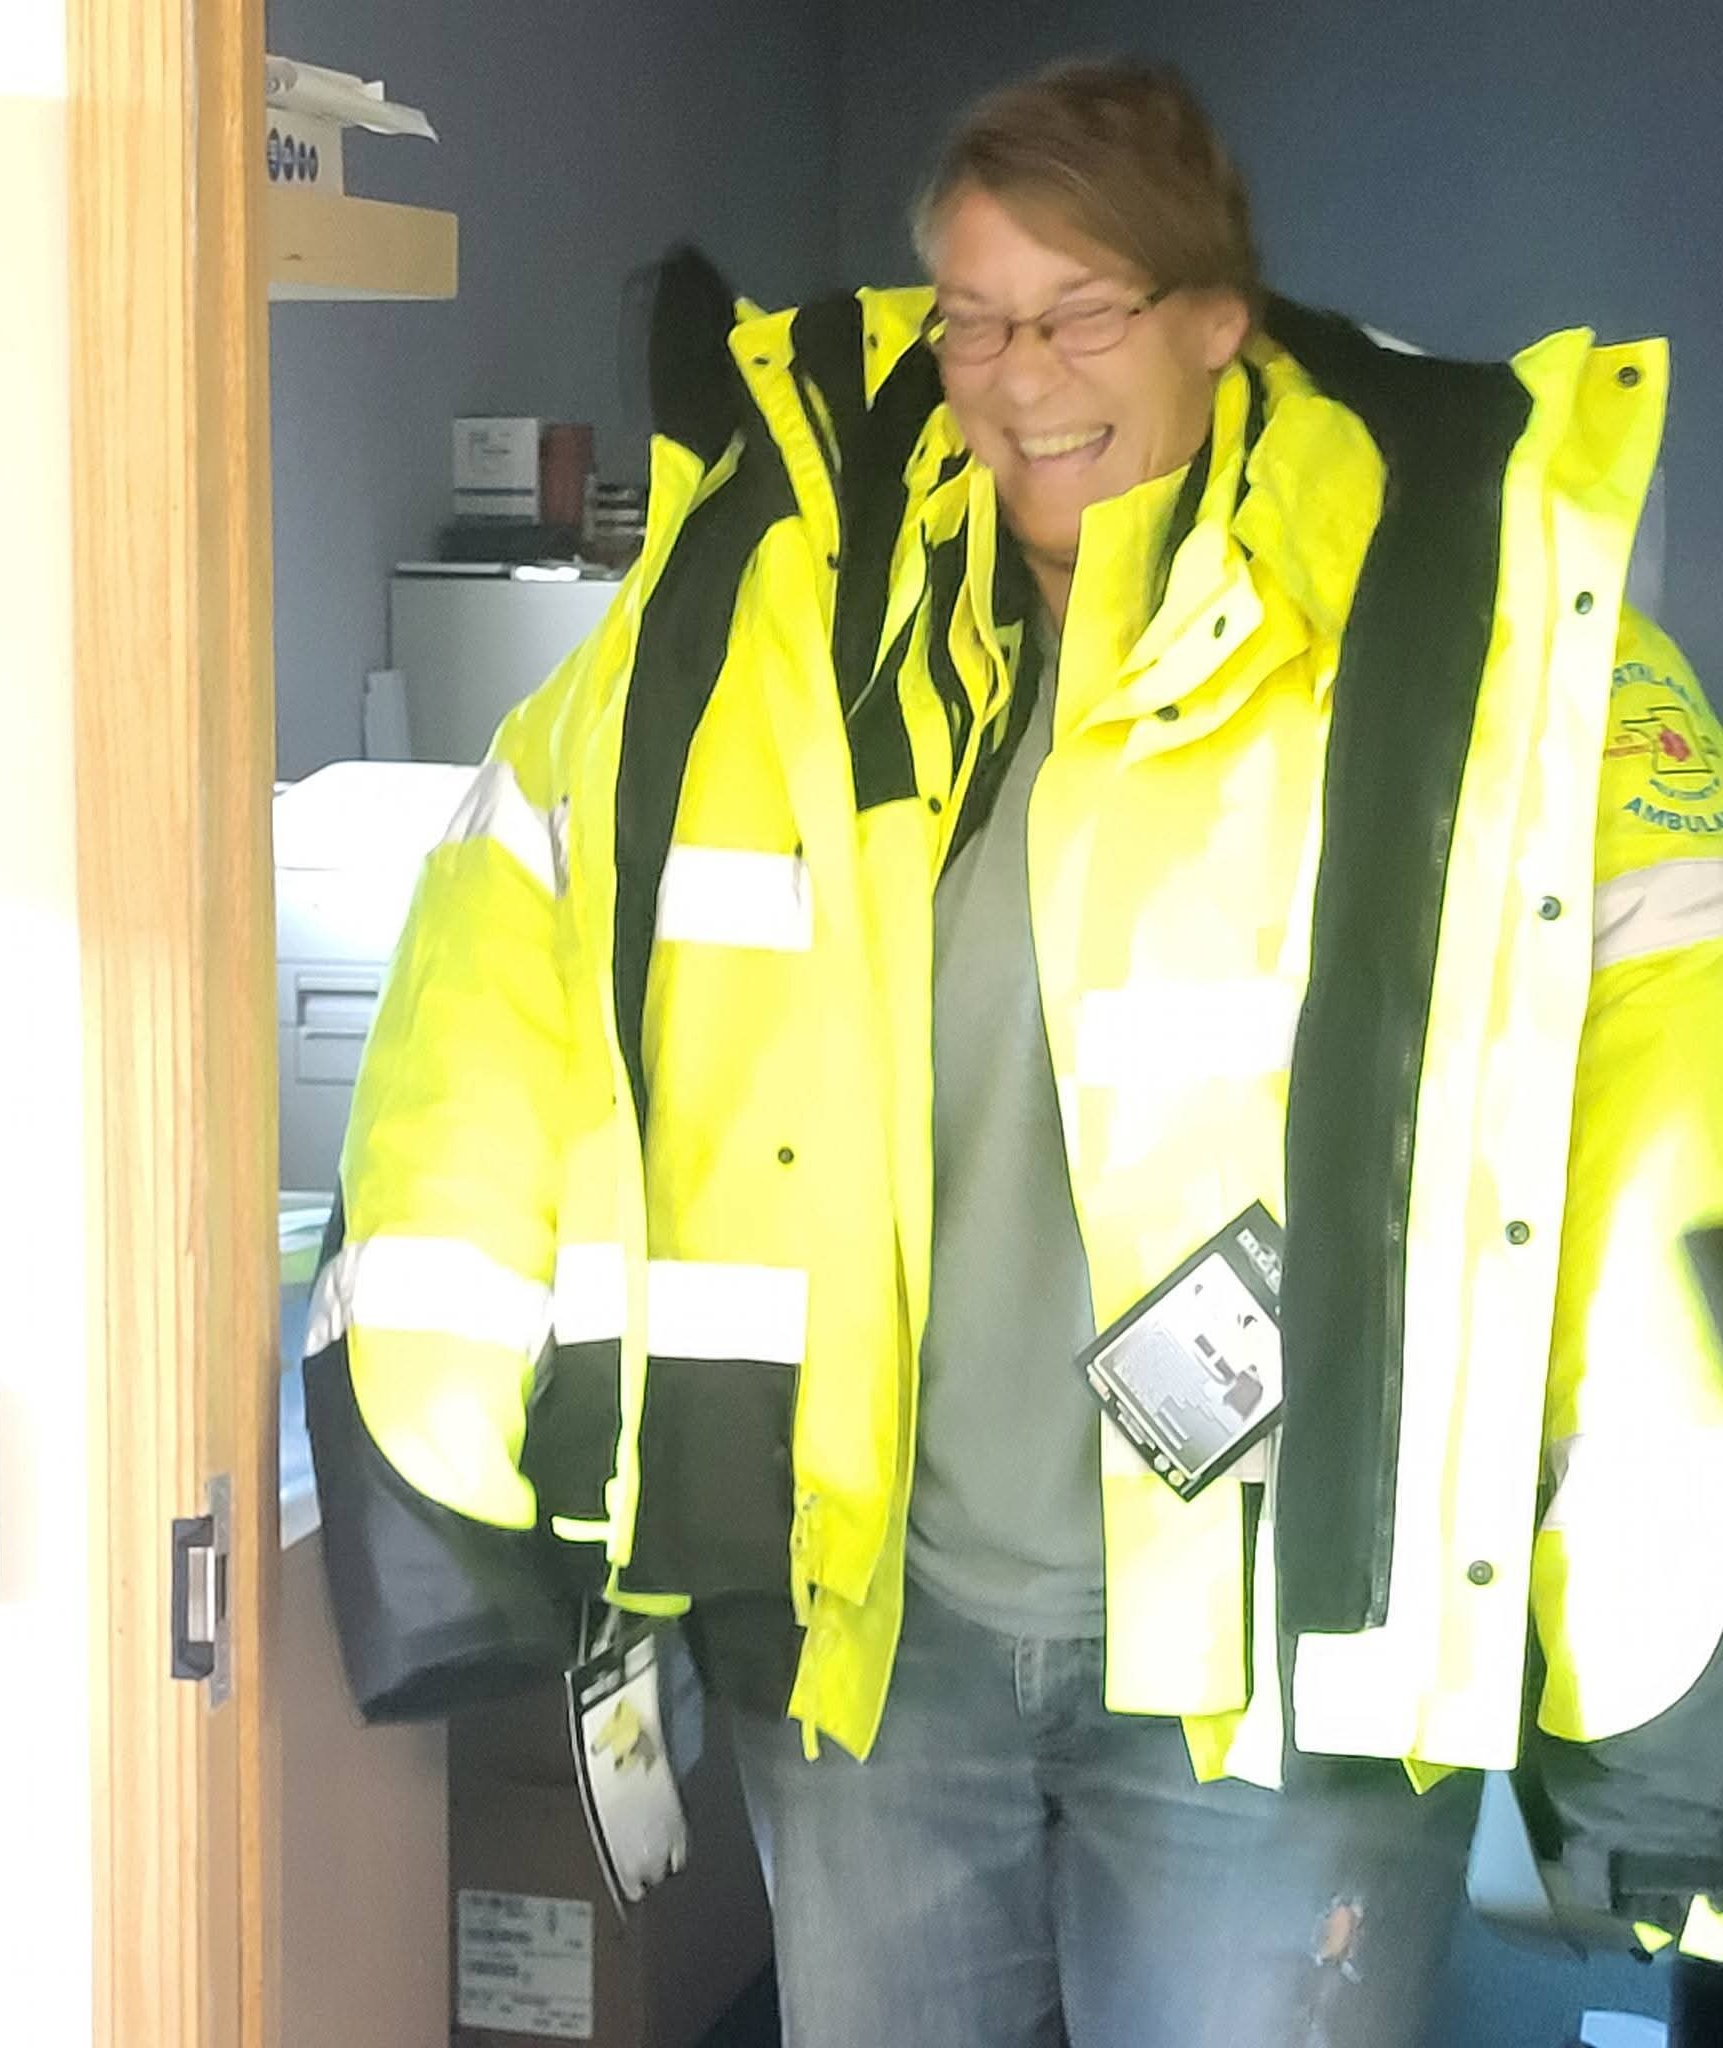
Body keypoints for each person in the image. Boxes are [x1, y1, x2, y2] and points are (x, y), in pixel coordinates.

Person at [301, 55, 1723, 2048]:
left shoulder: (1468, 624)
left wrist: (1660, 1647)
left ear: (1220, 317)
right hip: (876, 1639)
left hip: (1272, 1667)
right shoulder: (767, 609)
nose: (1018, 376)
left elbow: (1663, 1113)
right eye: (972, 319)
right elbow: (498, 959)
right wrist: (432, 1457)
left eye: (1080, 312)